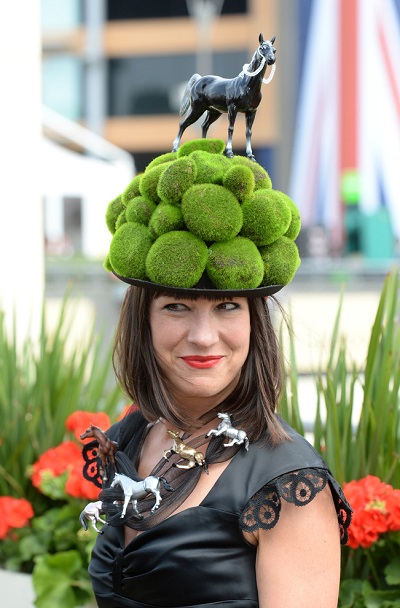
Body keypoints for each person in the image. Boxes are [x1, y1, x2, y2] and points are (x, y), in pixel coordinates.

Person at [81, 138, 352, 608]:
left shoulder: (287, 486)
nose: (204, 337)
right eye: (177, 307)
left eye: (227, 306)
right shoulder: (134, 437)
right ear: (142, 321)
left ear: (254, 323)